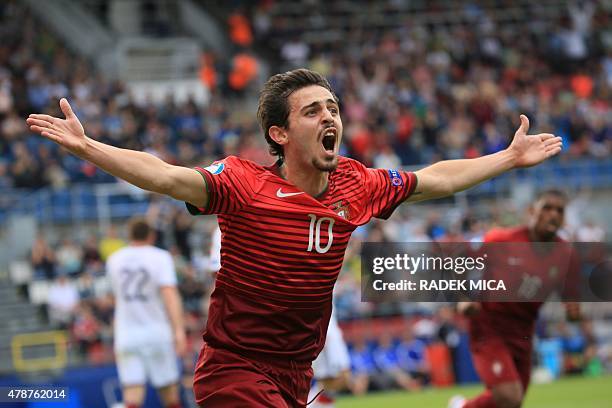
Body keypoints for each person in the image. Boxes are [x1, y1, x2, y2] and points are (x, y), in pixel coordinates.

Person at [27, 68, 562, 407]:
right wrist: (90, 147)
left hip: (296, 372)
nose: (329, 116)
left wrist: (509, 157)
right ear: (280, 135)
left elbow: (436, 179)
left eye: (332, 108)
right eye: (313, 111)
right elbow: (164, 174)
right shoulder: (242, 182)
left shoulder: (357, 183)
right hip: (234, 369)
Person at [450, 189, 580, 408]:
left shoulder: (567, 254)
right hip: (489, 325)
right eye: (547, 208)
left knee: (512, 402)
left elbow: (572, 303)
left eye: (559, 210)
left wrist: (574, 312)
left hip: (524, 331)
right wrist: (463, 298)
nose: (553, 214)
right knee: (509, 397)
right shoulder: (502, 239)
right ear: (532, 211)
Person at [106, 218, 186, 408]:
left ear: (129, 235)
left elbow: (114, 299)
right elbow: (170, 295)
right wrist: (179, 331)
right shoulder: (160, 257)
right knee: (170, 395)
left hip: (126, 333)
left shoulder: (114, 259)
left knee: (132, 397)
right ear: (151, 235)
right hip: (156, 331)